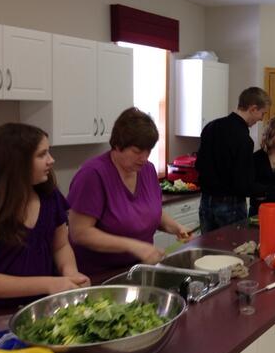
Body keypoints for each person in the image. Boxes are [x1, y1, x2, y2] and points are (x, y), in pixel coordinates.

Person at [0, 123, 90, 317]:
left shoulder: (50, 196)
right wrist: (49, 283)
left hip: (42, 310)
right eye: (42, 154)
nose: (51, 160)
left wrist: (71, 274)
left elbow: (60, 246)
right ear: (16, 162)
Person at [67, 107, 190, 277]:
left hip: (139, 270)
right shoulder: (92, 174)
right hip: (99, 276)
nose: (144, 158)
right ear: (117, 145)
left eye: (148, 151)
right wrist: (133, 246)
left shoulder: (147, 170)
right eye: (137, 151)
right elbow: (80, 233)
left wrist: (176, 228)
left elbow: (150, 212)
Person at [196, 87, 275, 233]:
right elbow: (245, 186)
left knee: (208, 251)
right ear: (253, 109)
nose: (261, 118)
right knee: (232, 251)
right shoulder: (244, 139)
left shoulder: (210, 126)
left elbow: (198, 166)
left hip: (205, 203)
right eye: (262, 113)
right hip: (230, 206)